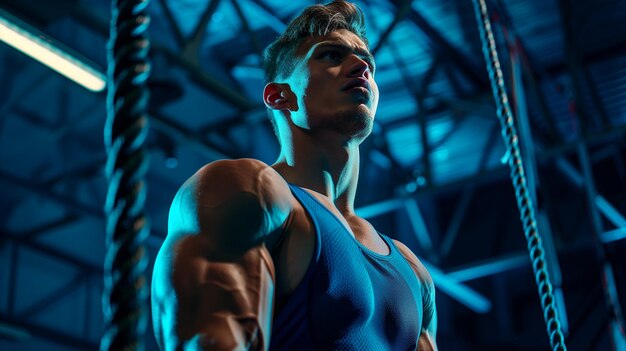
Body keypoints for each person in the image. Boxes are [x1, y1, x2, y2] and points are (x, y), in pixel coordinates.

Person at [151, 1, 437, 350]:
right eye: (331, 56)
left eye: (368, 64)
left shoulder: (413, 271)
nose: (361, 66)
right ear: (278, 95)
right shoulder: (246, 193)